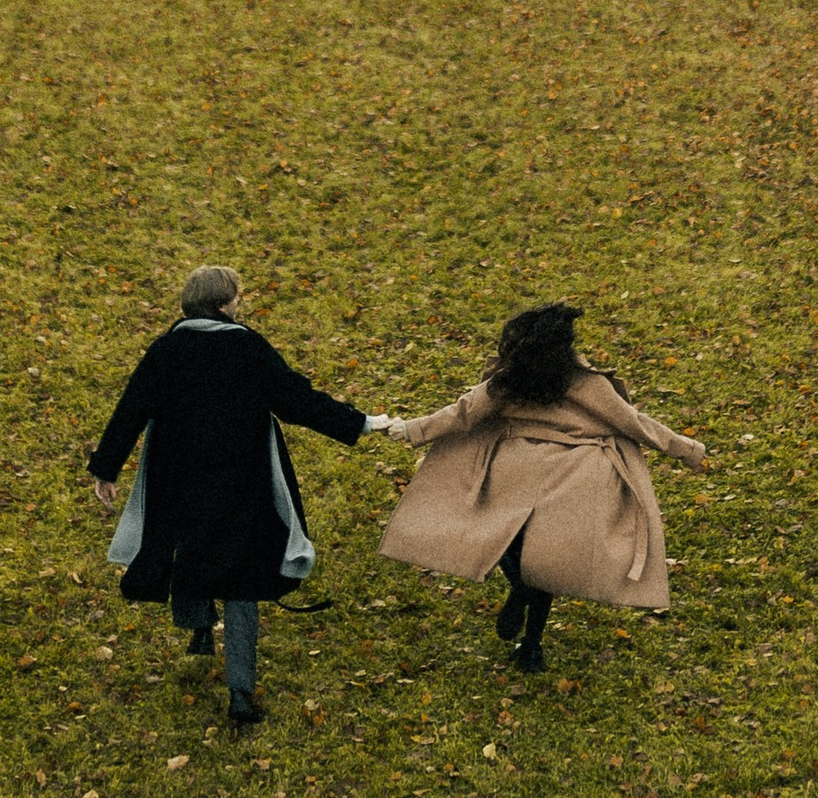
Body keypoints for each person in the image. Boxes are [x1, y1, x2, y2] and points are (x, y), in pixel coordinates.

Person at [89, 265, 394, 729]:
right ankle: (240, 692)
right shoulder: (247, 346)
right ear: (223, 304)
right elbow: (296, 399)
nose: (239, 304)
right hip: (241, 481)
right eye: (236, 298)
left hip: (178, 479)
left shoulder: (166, 350)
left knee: (189, 552)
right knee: (240, 576)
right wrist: (361, 423)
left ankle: (198, 630)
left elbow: (131, 408)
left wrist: (106, 469)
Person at [380, 301, 706, 672]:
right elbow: (634, 423)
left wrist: (412, 429)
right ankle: (532, 642)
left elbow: (464, 412)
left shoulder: (510, 380)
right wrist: (687, 450)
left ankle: (521, 589)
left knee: (507, 540)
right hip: (571, 476)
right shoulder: (587, 383)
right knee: (544, 559)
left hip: (513, 471)